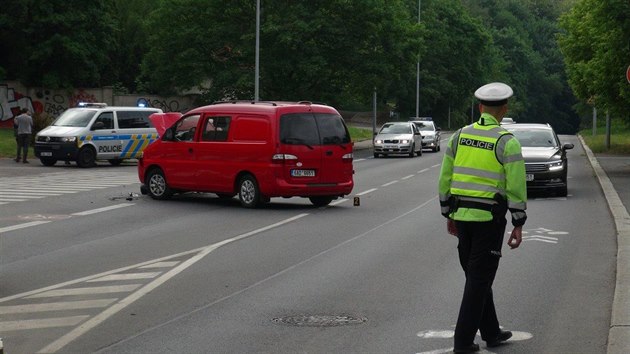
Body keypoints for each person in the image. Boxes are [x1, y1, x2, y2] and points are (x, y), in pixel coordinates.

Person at [438, 82, 527, 353]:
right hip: (489, 221)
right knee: (478, 279)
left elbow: (446, 177)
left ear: (480, 107)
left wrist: (447, 213)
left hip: (462, 217)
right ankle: (462, 341)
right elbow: (515, 186)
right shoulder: (506, 142)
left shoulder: (459, 136)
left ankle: (491, 331)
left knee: (477, 275)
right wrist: (518, 223)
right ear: (504, 109)